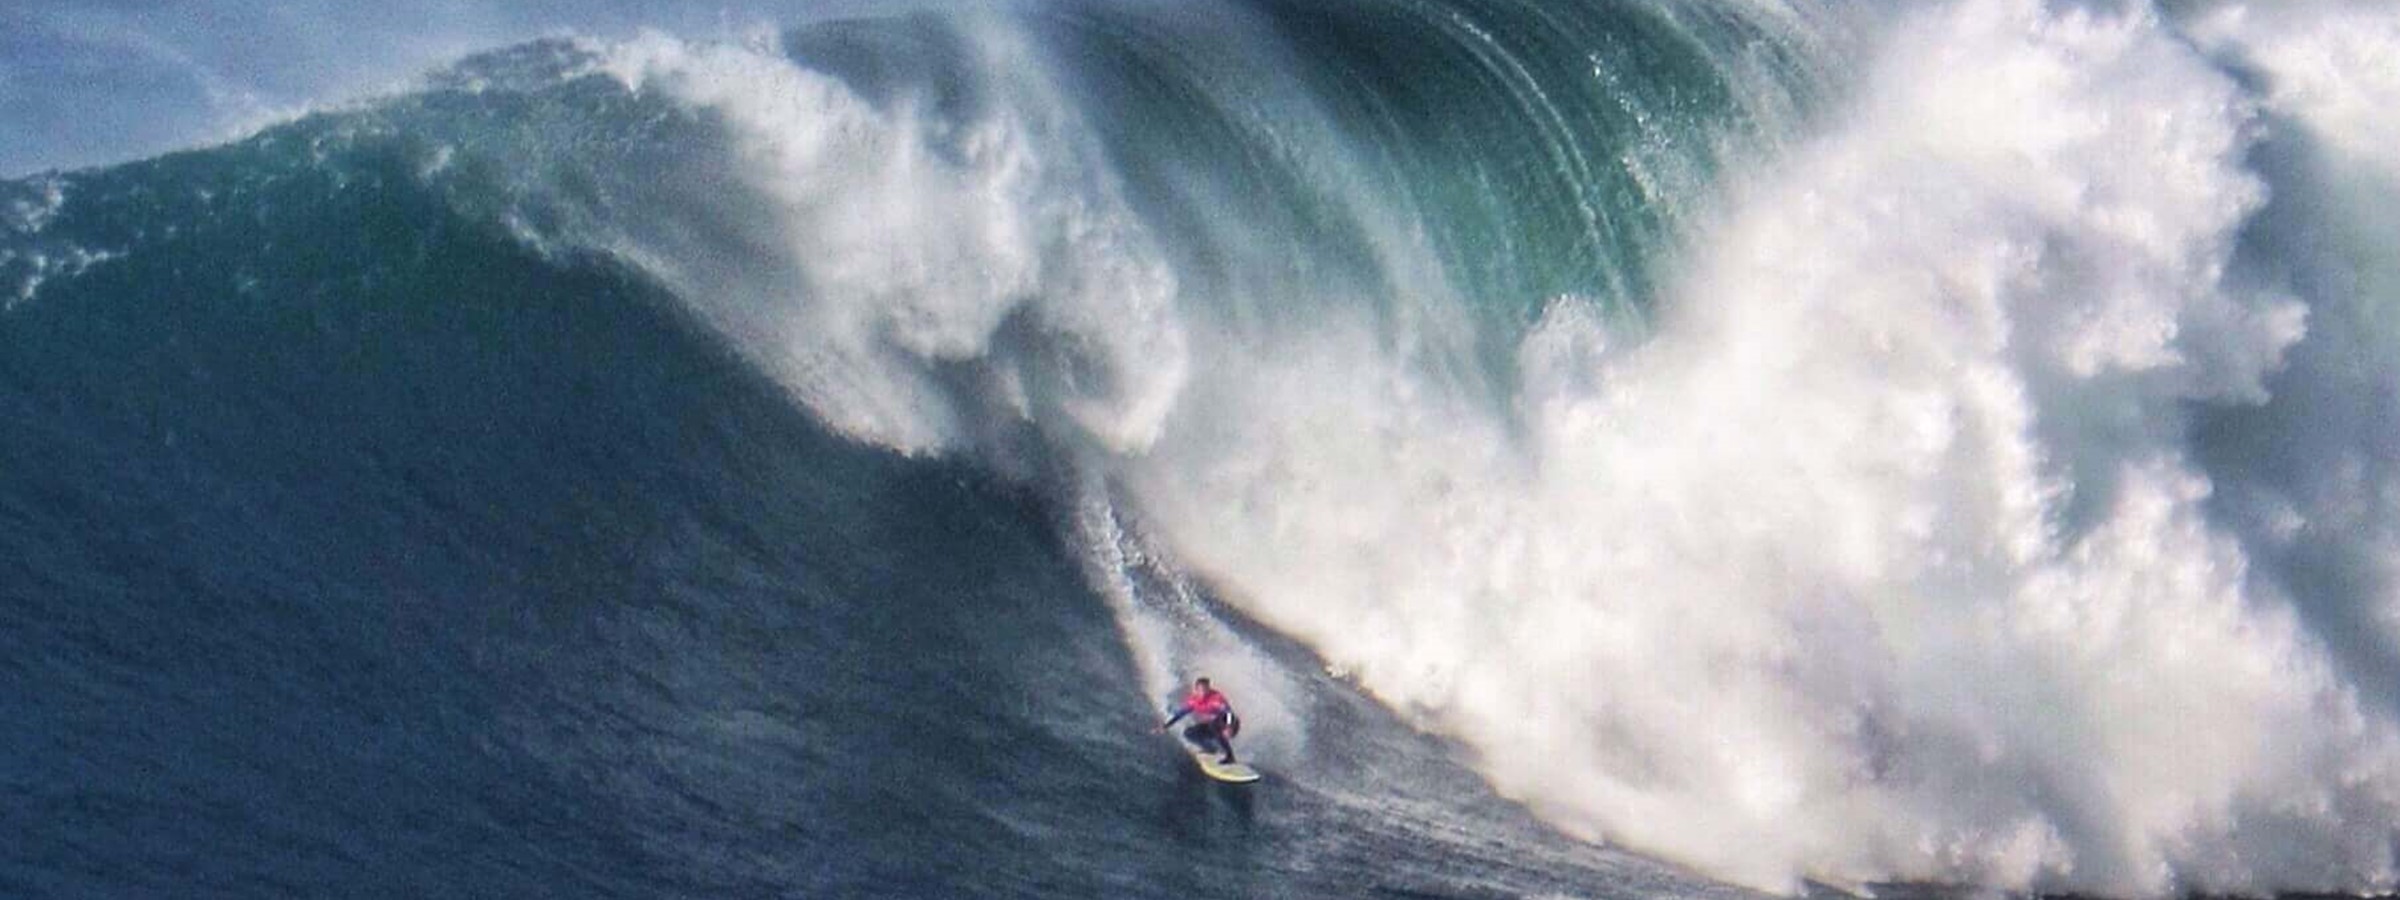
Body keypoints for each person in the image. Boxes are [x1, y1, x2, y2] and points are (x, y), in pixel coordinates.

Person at [1156, 676, 1240, 764]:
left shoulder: (1216, 698)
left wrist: (1229, 727)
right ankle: (1210, 749)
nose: (1203, 692)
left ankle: (1230, 756)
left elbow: (1229, 713)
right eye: (1201, 690)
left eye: (1206, 689)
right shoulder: (1193, 701)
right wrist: (1165, 726)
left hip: (1231, 724)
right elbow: (1180, 714)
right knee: (1189, 733)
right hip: (1215, 726)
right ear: (1196, 690)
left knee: (1213, 725)